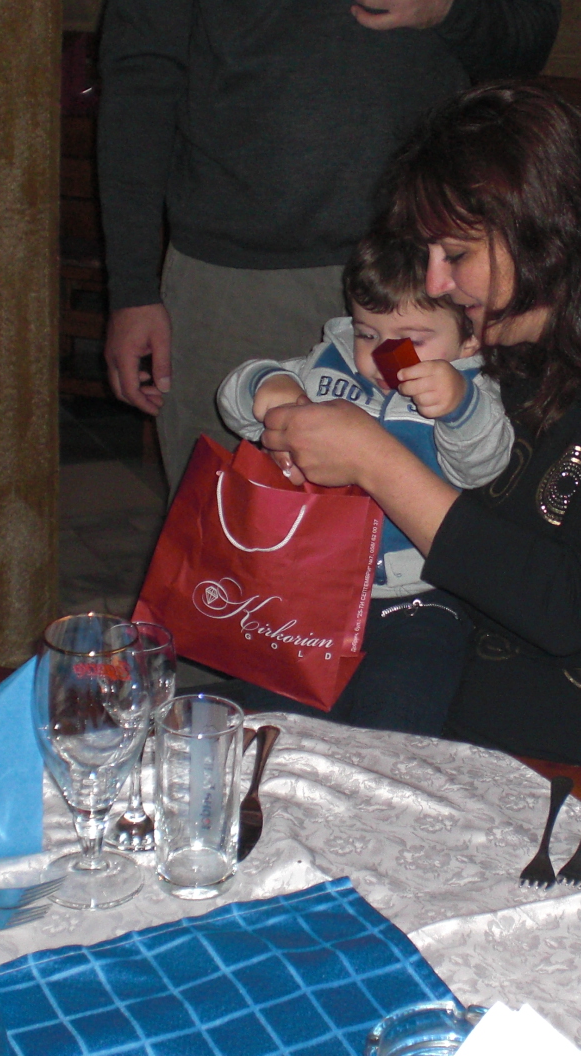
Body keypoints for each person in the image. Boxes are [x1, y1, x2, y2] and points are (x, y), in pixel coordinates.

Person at [258, 84, 581, 787]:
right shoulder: (515, 341)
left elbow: (573, 604)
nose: (435, 283)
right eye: (427, 253)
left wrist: (375, 461)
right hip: (455, 710)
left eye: (456, 254)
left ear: (549, 231)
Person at [96, 0, 560, 489]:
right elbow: (140, 78)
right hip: (236, 280)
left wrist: (456, 3)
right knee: (233, 531)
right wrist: (131, 288)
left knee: (444, 521)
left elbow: (531, 39)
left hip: (436, 270)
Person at [215, 236, 515, 733]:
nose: (380, 357)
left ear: (469, 340)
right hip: (307, 591)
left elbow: (482, 468)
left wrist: (458, 405)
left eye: (411, 339)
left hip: (419, 598)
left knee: (396, 721)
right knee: (279, 718)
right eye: (367, 334)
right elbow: (234, 400)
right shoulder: (326, 369)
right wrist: (268, 385)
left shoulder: (470, 392)